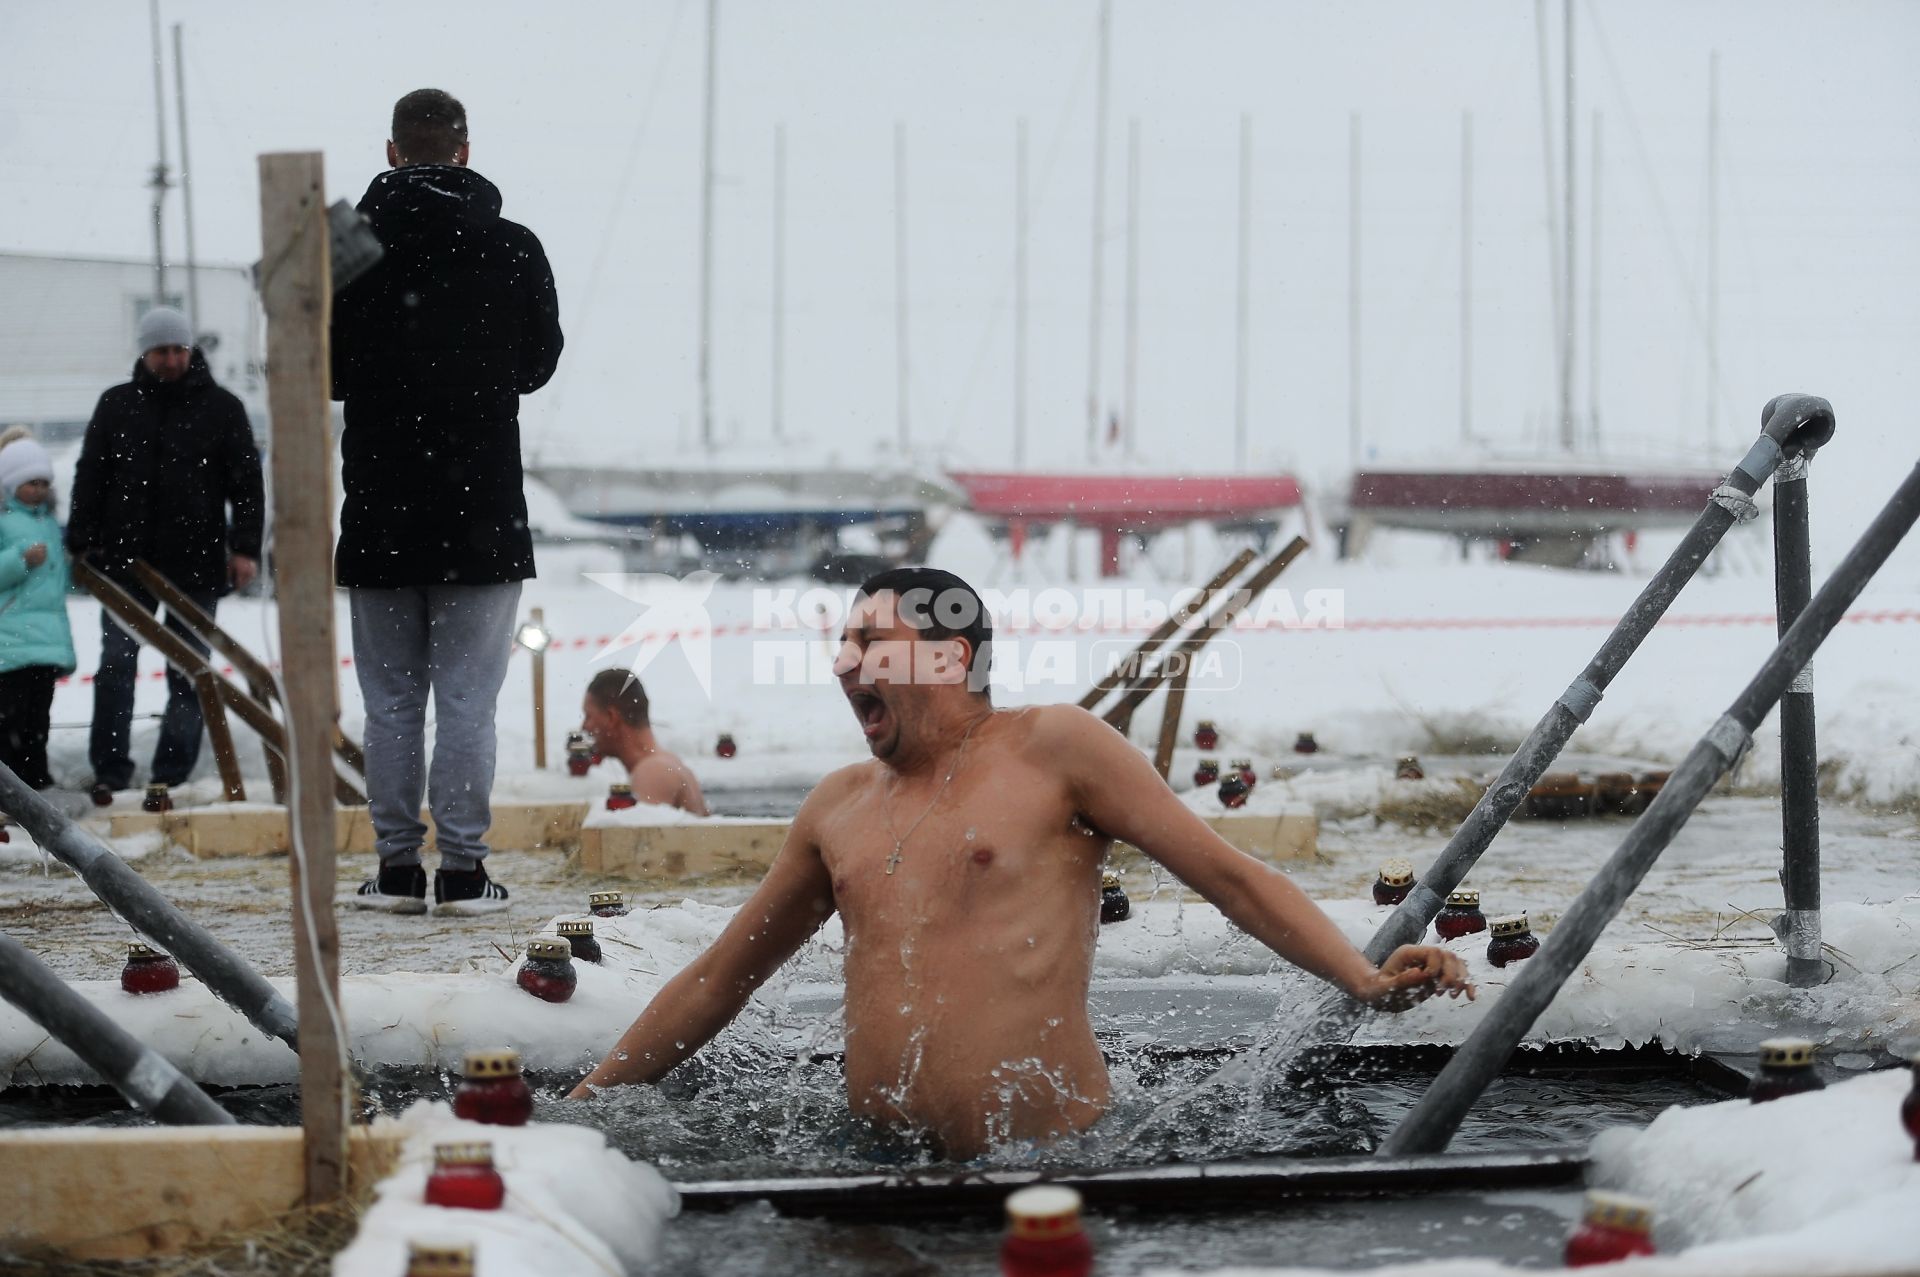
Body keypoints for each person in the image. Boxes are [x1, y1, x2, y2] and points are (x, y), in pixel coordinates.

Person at [572, 567, 1473, 1157]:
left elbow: (1227, 873)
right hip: (873, 1166)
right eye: (842, 644)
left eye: (870, 639)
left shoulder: (1055, 748)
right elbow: (720, 976)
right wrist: (588, 1098)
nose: (845, 661)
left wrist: (1359, 975)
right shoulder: (837, 805)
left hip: (1051, 1166)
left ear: (950, 653)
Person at [334, 88, 563, 916]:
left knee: (390, 701)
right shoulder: (511, 246)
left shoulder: (345, 249)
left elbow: (314, 368)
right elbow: (537, 364)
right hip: (483, 509)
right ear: (464, 151)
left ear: (392, 151)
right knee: (469, 699)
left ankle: (396, 870)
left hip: (380, 509)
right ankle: (465, 872)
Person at [65, 306, 263, 803]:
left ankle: (170, 774)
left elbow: (247, 487)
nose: (172, 360)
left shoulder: (223, 408)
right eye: (161, 351)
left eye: (179, 349)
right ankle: (110, 771)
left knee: (190, 670)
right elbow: (91, 476)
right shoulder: (116, 405)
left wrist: (244, 549)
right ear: (143, 352)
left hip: (195, 564)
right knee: (115, 664)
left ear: (190, 350)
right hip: (123, 562)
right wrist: (82, 540)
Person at [0, 430, 77, 790]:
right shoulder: (3, 520)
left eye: (44, 482)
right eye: (30, 482)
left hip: (45, 641)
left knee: (38, 719)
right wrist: (19, 560)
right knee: (11, 720)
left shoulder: (49, 523)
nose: (38, 489)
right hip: (11, 640)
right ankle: (15, 787)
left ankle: (36, 780)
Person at [580, 669, 710, 816]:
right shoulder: (667, 761)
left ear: (611, 717)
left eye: (588, 716)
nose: (584, 727)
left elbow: (639, 838)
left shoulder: (651, 773)